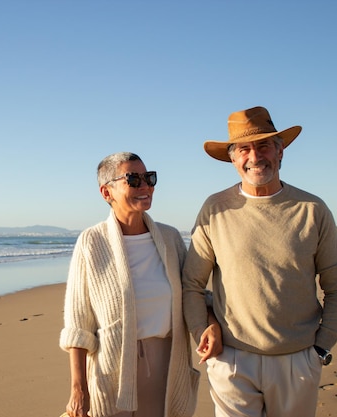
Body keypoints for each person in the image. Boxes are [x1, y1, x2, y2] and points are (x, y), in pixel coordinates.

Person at [182, 106, 337, 417]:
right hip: (232, 361)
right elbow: (192, 284)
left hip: (297, 360)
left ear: (280, 151)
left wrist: (321, 349)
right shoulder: (214, 209)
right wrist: (202, 330)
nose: (254, 156)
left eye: (263, 146)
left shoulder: (313, 210)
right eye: (244, 149)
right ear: (233, 159)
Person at [59, 152, 221, 417]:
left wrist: (211, 322)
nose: (145, 186)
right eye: (133, 179)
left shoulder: (170, 239)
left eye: (149, 178)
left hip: (167, 363)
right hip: (113, 367)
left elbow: (195, 292)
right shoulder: (91, 242)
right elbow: (78, 324)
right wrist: (78, 389)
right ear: (106, 191)